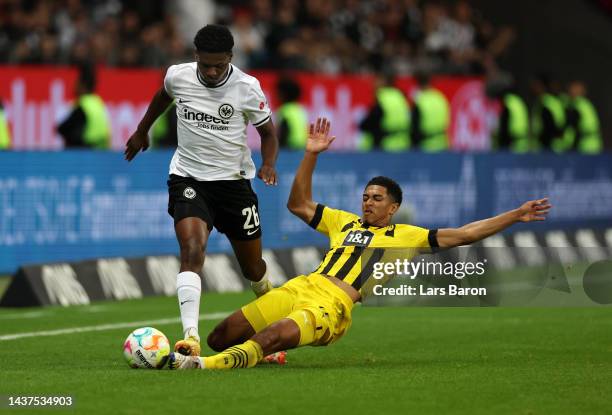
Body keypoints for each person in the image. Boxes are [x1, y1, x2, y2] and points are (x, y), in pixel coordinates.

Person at [168, 117, 552, 370]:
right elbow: (298, 204)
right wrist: (310, 156)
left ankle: (205, 366)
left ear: (394, 207)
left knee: (268, 336)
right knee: (221, 336)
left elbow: (467, 233)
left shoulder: (409, 237)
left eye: (377, 198)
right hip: (301, 286)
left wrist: (514, 215)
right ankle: (250, 355)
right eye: (366, 196)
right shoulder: (344, 222)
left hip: (331, 304)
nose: (367, 202)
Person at [124, 24, 279, 357]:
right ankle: (190, 338)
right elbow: (161, 98)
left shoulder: (247, 87)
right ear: (195, 56)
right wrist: (141, 131)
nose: (210, 72)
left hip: (234, 185)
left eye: (218, 66)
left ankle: (272, 324)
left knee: (253, 269)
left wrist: (268, 165)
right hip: (188, 178)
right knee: (192, 251)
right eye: (204, 64)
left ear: (230, 59)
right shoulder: (178, 76)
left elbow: (269, 134)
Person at [57, 66, 111, 149]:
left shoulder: (83, 106)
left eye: (77, 83)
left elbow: (63, 129)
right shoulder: (98, 103)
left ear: (83, 85)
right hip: (102, 154)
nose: (74, 86)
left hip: (87, 154)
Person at [358, 71, 410, 151]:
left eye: (377, 80)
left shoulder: (382, 97)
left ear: (384, 81)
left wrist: (361, 125)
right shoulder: (400, 96)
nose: (373, 83)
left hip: (386, 146)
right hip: (402, 144)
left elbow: (372, 121)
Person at [411, 71, 450, 152]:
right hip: (442, 145)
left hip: (426, 147)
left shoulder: (420, 102)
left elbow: (415, 129)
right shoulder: (440, 98)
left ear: (418, 85)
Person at [530, 74, 570, 152]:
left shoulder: (547, 103)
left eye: (535, 84)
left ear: (542, 86)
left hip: (552, 148)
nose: (533, 87)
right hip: (549, 146)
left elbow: (550, 128)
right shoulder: (544, 101)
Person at [565, 80, 602, 154]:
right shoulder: (586, 104)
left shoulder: (578, 105)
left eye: (574, 89)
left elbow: (573, 128)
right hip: (594, 143)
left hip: (585, 146)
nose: (571, 91)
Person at [276, 76, 308, 149]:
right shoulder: (301, 110)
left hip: (289, 150)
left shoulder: (284, 110)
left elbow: (284, 133)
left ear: (282, 94)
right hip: (302, 150)